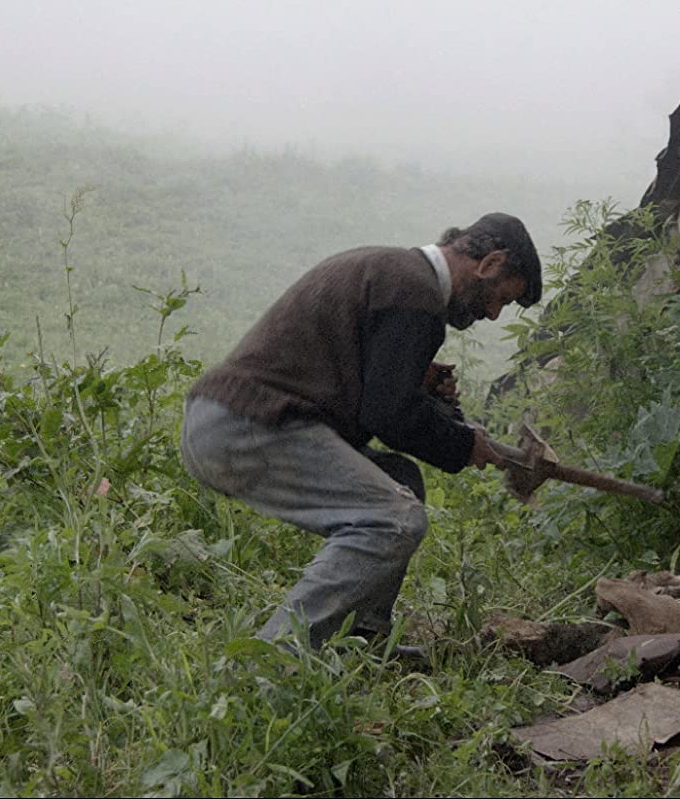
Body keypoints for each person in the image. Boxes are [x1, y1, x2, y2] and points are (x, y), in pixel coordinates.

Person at [180, 213, 542, 654]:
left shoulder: (396, 273)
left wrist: (433, 403)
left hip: (228, 421)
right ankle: (269, 662)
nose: (492, 313)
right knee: (394, 519)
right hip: (248, 427)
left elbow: (379, 396)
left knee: (400, 480)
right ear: (489, 263)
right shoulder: (415, 292)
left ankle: (363, 639)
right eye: (500, 298)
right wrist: (464, 444)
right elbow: (389, 414)